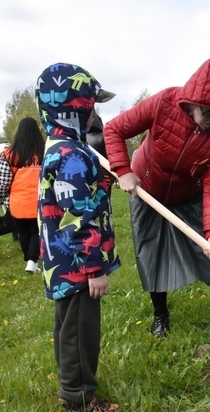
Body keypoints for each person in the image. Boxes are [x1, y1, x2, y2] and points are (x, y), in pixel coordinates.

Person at [103, 58, 210, 337]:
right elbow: (114, 129)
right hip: (147, 189)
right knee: (151, 253)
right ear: (193, 100)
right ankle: (160, 316)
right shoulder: (164, 102)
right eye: (208, 112)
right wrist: (123, 170)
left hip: (190, 190)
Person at [36, 62, 120, 411]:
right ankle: (79, 399)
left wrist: (104, 179)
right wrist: (94, 268)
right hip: (76, 266)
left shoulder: (62, 147)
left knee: (69, 328)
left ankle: (73, 389)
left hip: (64, 261)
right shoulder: (71, 155)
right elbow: (78, 217)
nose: (94, 114)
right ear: (74, 108)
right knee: (79, 334)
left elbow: (83, 198)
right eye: (91, 106)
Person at [0, 117, 44, 273]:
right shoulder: (44, 151)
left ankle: (30, 260)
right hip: (40, 200)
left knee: (23, 232)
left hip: (18, 202)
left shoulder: (9, 154)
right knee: (36, 231)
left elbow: (3, 181)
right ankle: (32, 261)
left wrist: (4, 199)